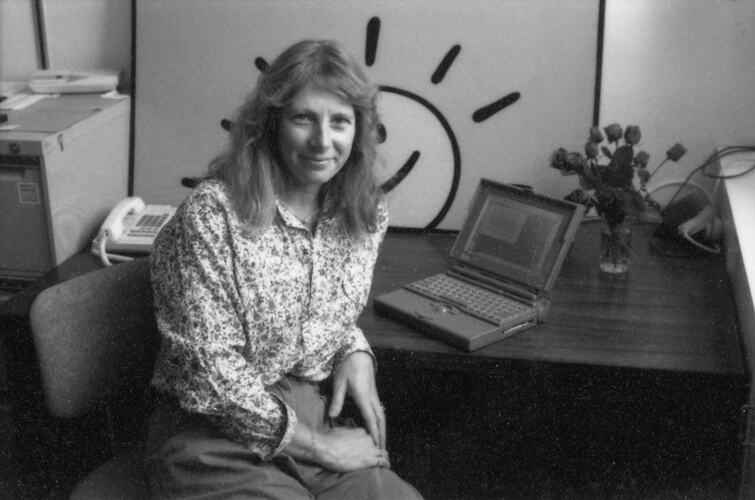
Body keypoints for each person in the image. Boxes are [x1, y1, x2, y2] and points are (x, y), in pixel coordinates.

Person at [144, 39, 423, 500]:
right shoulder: (212, 217)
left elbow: (319, 309)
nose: (323, 141)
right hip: (212, 431)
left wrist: (354, 348)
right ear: (269, 124)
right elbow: (209, 373)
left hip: (307, 411)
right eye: (303, 118)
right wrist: (322, 450)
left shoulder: (364, 213)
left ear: (359, 129)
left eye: (340, 121)